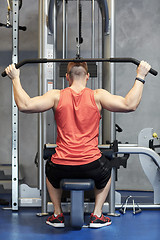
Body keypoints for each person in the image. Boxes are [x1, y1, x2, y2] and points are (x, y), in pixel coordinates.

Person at [5, 60, 151, 228]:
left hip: (61, 165)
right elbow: (129, 104)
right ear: (87, 77)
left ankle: (58, 214)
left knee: (50, 172)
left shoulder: (56, 95)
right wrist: (140, 76)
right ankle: (97, 215)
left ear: (67, 77)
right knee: (107, 172)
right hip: (91, 164)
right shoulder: (98, 95)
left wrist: (15, 78)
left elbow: (25, 105)